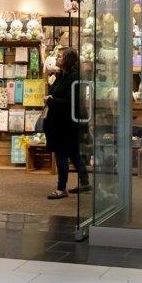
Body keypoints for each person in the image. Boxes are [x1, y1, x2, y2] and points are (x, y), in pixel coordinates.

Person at [44, 47, 90, 199]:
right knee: (72, 151)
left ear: (68, 60)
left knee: (62, 153)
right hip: (62, 120)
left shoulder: (73, 77)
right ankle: (84, 182)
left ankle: (61, 188)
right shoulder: (63, 75)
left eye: (61, 56)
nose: (58, 57)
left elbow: (70, 102)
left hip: (66, 122)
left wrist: (51, 100)